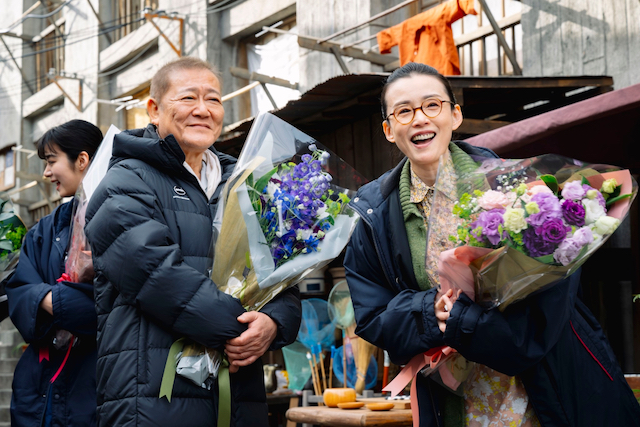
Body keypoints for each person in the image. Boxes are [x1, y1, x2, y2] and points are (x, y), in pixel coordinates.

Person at [343, 62, 640, 426]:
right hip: (448, 402)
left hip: (543, 387)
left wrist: (462, 323)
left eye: (432, 105)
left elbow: (550, 305)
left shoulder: (518, 187)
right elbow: (372, 318)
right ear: (389, 130)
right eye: (404, 111)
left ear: (455, 115)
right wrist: (427, 312)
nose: (419, 119)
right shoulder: (374, 217)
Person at [84, 57, 302, 427]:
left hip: (237, 395)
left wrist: (273, 323)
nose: (203, 110)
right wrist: (245, 328)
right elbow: (159, 277)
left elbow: (283, 273)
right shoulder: (123, 183)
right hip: (151, 400)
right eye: (188, 98)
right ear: (153, 110)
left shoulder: (246, 184)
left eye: (213, 100)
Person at [6, 119, 103, 426]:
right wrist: (53, 299)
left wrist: (48, 299)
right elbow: (19, 291)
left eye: (51, 162)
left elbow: (108, 307)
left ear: (83, 160)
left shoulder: (121, 216)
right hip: (38, 390)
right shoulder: (45, 229)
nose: (46, 173)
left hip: (93, 385)